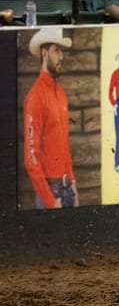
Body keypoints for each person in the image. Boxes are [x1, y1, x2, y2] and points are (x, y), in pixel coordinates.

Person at [23, 28, 79, 209]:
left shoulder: (60, 93)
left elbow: (63, 144)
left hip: (67, 189)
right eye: (57, 50)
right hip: (51, 194)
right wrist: (49, 201)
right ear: (45, 54)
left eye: (62, 51)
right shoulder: (35, 97)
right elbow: (31, 158)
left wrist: (73, 184)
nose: (61, 56)